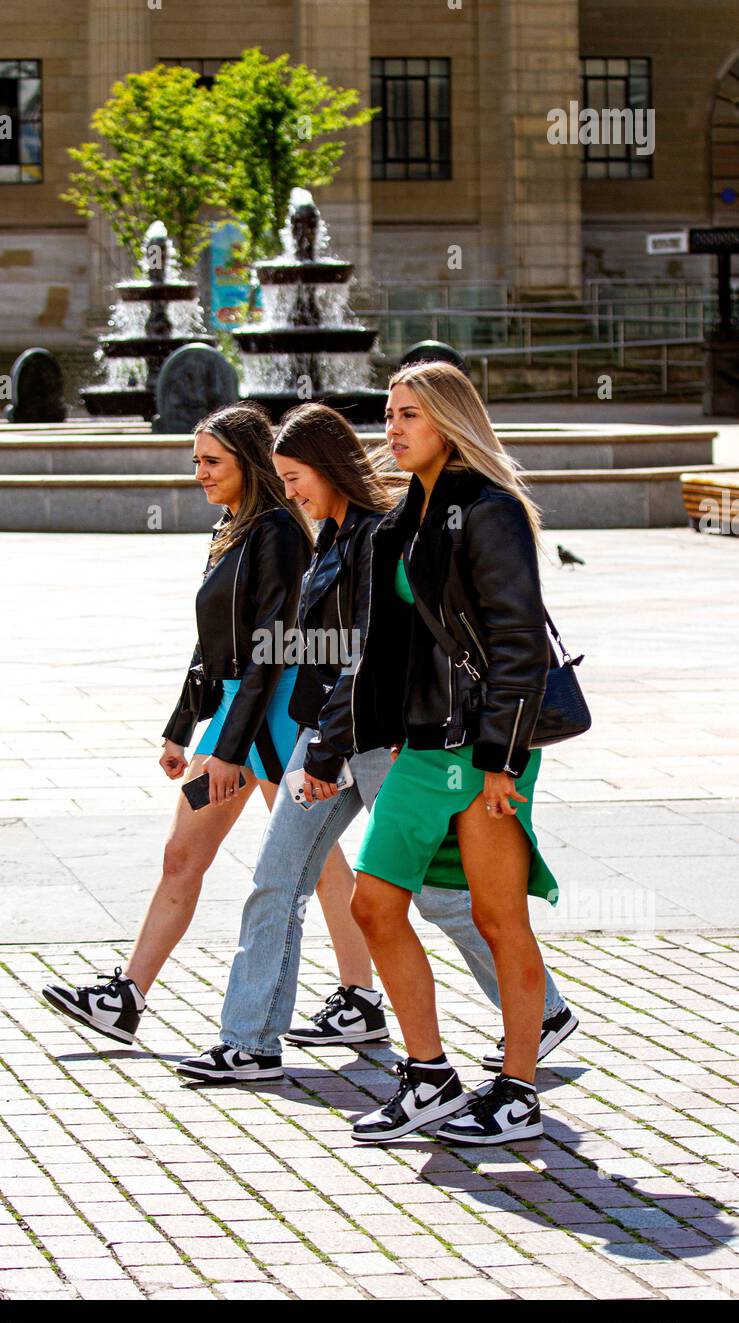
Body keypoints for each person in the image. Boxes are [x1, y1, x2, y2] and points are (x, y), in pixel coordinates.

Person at [176, 402, 575, 1083]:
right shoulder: (326, 538)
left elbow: (373, 654)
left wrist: (326, 744)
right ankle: (249, 1041)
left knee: (438, 896)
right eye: (281, 478)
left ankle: (541, 1013)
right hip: (330, 736)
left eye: (296, 476)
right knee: (277, 877)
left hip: (381, 741)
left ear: (329, 469)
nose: (289, 491)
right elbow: (319, 651)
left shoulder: (375, 535)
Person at [40, 402, 370, 1049]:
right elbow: (212, 643)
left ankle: (359, 997)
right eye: (195, 461)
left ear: (248, 464)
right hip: (232, 716)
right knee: (194, 855)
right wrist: (180, 726)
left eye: (211, 461)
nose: (199, 473)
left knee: (314, 863)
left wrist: (225, 745)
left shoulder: (275, 532)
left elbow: (269, 649)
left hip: (265, 720)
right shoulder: (233, 528)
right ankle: (127, 996)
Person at [347, 359, 564, 1146]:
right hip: (422, 746)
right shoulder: (407, 515)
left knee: (497, 918)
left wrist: (505, 760)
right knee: (372, 903)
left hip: (482, 750)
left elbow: (516, 644)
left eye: (409, 414)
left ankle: (515, 1091)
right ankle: (430, 1075)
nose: (392, 429)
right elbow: (389, 647)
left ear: (449, 420)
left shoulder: (488, 509)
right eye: (389, 414)